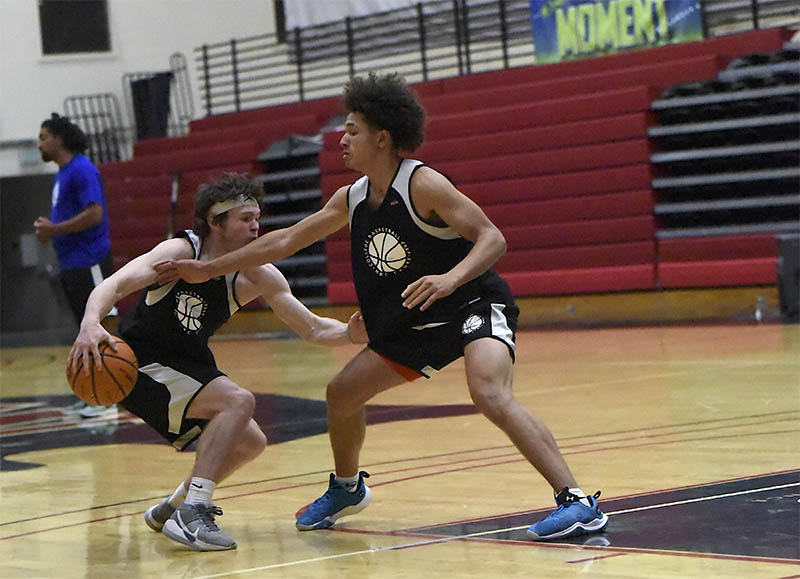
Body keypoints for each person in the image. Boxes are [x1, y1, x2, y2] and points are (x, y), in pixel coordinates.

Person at [156, 73, 608, 542]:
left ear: (382, 137)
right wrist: (210, 270)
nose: (342, 139)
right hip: (414, 321)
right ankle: (348, 488)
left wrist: (450, 278)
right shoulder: (351, 198)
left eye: (352, 130)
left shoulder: (424, 184)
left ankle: (577, 503)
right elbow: (287, 239)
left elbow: (492, 238)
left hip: (471, 302)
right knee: (341, 394)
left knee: (488, 391)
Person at [68, 172, 368, 551]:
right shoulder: (179, 253)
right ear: (214, 221)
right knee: (238, 401)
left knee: (250, 442)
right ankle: (193, 511)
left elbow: (311, 328)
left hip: (187, 362)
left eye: (258, 217)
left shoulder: (257, 272)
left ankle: (173, 507)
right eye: (245, 219)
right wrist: (91, 322)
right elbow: (113, 284)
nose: (256, 226)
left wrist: (348, 334)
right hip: (141, 363)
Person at [35, 113, 118, 420]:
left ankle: (109, 396)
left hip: (90, 259)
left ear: (59, 138)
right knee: (86, 329)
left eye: (43, 136)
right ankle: (96, 393)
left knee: (102, 325)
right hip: (73, 262)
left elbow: (94, 214)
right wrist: (50, 230)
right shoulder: (63, 173)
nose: (40, 143)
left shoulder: (82, 169)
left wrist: (54, 229)